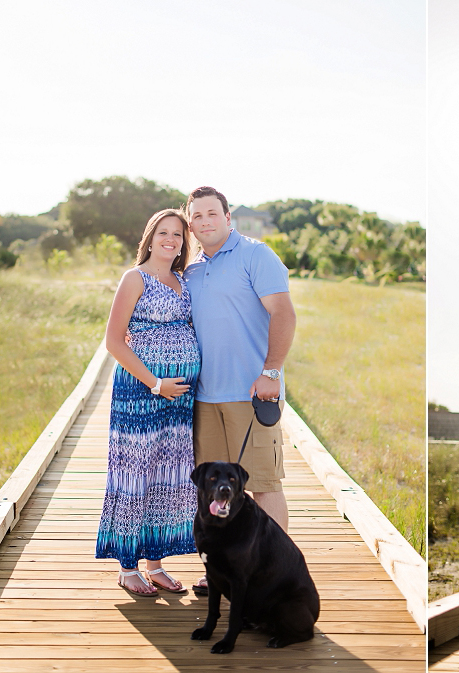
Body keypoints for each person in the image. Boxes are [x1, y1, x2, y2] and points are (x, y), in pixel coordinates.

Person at [183, 186, 296, 596]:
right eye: (197, 216)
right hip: (204, 398)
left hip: (252, 394)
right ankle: (221, 572)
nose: (205, 221)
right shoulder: (192, 270)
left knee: (264, 483)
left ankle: (272, 574)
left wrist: (272, 370)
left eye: (213, 213)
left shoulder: (256, 255)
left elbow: (283, 312)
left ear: (228, 218)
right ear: (191, 224)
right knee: (213, 490)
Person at [96, 209, 199, 597]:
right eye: (163, 232)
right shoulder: (134, 278)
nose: (170, 239)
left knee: (166, 478)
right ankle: (127, 567)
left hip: (179, 403)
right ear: (150, 238)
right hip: (142, 393)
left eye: (177, 234)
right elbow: (115, 341)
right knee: (135, 474)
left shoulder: (183, 280)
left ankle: (155, 565)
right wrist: (155, 382)